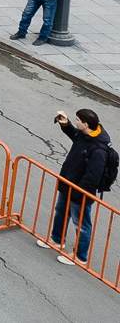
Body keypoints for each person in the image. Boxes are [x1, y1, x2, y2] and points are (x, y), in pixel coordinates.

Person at [42, 108, 113, 265]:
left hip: (80, 192)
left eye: (77, 120)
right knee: (61, 212)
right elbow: (76, 136)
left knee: (81, 224)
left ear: (86, 124)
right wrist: (66, 125)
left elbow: (92, 177)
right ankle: (57, 240)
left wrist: (78, 192)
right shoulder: (86, 135)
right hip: (68, 183)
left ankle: (80, 256)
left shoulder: (99, 150)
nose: (76, 122)